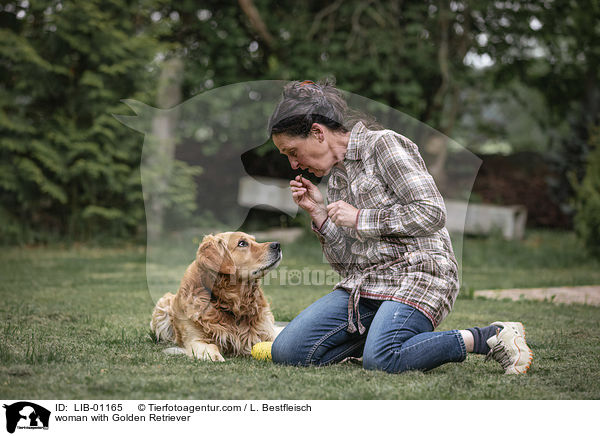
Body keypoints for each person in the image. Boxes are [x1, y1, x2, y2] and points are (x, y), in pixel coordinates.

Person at [267, 79, 533, 374]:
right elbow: (348, 266)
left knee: (382, 360)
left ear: (317, 133)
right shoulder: (338, 179)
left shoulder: (383, 145)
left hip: (419, 274)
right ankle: (383, 340)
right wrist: (319, 215)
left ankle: (488, 336)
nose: (293, 164)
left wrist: (360, 219)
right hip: (366, 286)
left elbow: (432, 212)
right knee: (288, 351)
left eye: (293, 151)